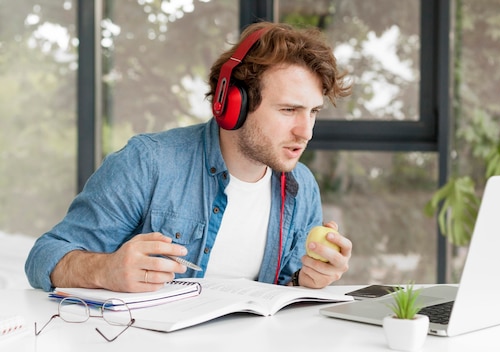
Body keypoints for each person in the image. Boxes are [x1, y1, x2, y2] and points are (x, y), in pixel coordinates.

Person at [25, 21, 353, 293]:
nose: (306, 132)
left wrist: (306, 281)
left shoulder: (302, 186)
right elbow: (44, 257)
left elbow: (282, 294)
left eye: (313, 112)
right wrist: (103, 270)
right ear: (233, 104)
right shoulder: (148, 162)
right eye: (288, 110)